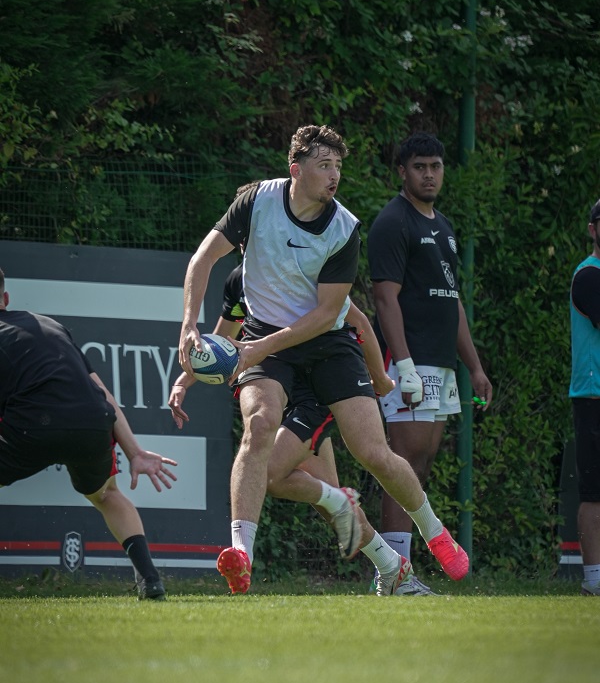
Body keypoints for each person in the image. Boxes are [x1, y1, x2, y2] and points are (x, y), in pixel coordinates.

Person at [178, 123, 469, 596]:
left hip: (325, 348)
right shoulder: (254, 204)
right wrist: (188, 330)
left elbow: (334, 316)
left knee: (371, 453)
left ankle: (434, 534)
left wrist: (378, 375)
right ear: (296, 169)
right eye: (324, 165)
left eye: (339, 167)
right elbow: (202, 262)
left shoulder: (344, 228)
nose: (335, 175)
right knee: (261, 427)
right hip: (269, 347)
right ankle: (242, 555)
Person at [170, 258, 416, 596]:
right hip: (275, 390)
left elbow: (358, 321)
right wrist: (184, 381)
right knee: (329, 502)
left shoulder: (304, 272)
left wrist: (380, 377)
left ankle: (391, 566)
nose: (250, 241)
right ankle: (392, 567)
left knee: (312, 489)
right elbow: (222, 338)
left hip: (309, 394)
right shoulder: (239, 279)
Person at [0, 267, 177, 600]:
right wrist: (134, 451)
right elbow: (102, 393)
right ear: (6, 299)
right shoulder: (50, 325)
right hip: (93, 421)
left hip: (34, 424)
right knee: (108, 495)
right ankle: (149, 580)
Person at [367, 132, 493, 595]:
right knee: (400, 464)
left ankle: (400, 573)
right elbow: (384, 299)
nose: (429, 174)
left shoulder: (444, 226)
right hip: (409, 362)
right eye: (419, 166)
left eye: (435, 166)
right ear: (402, 171)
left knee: (417, 469)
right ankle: (392, 575)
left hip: (440, 366)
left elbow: (451, 300)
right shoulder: (392, 222)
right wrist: (403, 365)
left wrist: (474, 367)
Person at [569, 198, 600, 597]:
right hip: (592, 397)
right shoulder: (588, 276)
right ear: (593, 229)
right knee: (594, 492)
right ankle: (594, 579)